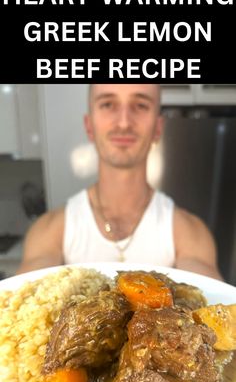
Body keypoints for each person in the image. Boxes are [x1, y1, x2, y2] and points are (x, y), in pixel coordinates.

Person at [16, 84, 222, 280]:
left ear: (158, 128)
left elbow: (216, 304)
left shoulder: (190, 233)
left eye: (140, 105)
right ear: (89, 126)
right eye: (108, 104)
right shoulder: (49, 231)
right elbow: (20, 303)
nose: (124, 122)